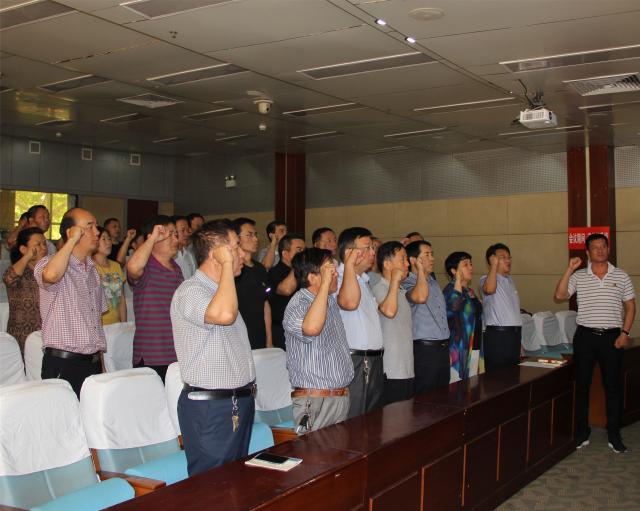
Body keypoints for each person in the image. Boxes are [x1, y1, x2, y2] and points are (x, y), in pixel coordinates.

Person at [171, 219, 255, 476]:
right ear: (217, 253)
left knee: (235, 483)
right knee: (212, 487)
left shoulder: (223, 291)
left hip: (237, 403)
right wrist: (228, 264)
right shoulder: (191, 290)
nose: (243, 254)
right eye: (236, 247)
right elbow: (224, 315)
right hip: (212, 409)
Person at [554, 233, 636, 453]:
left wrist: (625, 333)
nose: (599, 250)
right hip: (585, 338)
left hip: (612, 338)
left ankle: (614, 434)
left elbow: (630, 307)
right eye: (595, 247)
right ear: (588, 252)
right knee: (582, 386)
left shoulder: (621, 275)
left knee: (613, 387)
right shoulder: (579, 276)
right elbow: (560, 295)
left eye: (603, 247)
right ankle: (582, 432)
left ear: (608, 249)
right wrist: (569, 269)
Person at [33, 208, 106, 397]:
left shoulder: (93, 271)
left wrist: (101, 366)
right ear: (71, 232)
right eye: (89, 226)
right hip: (63, 364)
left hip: (93, 363)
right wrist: (72, 241)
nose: (97, 232)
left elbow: (96, 322)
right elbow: (51, 275)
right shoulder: (49, 263)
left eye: (96, 226)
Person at [283, 248, 353, 431]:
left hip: (339, 396)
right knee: (315, 449)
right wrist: (325, 286)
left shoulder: (330, 301)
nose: (335, 274)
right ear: (312, 277)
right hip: (315, 401)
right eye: (329, 270)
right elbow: (311, 329)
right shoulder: (299, 303)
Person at [127, 215, 183, 382]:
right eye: (170, 234)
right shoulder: (146, 266)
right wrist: (152, 238)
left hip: (176, 352)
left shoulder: (176, 268)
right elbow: (133, 267)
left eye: (176, 234)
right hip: (152, 355)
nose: (176, 239)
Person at [336, 227, 384, 418]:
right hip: (355, 361)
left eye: (373, 248)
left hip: (374, 360)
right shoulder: (337, 278)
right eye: (367, 248)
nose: (373, 253)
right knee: (354, 420)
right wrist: (349, 264)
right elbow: (349, 303)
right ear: (349, 252)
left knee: (372, 421)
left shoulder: (364, 280)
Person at [401, 240, 449, 395]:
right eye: (427, 255)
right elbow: (420, 297)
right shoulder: (406, 282)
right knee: (424, 397)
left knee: (443, 396)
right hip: (424, 350)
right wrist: (420, 270)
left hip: (442, 348)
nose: (432, 258)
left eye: (432, 254)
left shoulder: (433, 282)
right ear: (413, 260)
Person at [371, 242, 414, 404]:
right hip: (391, 369)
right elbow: (389, 311)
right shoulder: (380, 289)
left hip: (406, 367)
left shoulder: (400, 291)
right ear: (387, 264)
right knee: (393, 416)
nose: (407, 264)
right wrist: (395, 281)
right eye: (402, 259)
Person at [2, 227, 47, 353]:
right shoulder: (20, 272)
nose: (43, 248)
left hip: (47, 334)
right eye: (38, 244)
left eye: (44, 243)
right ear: (23, 249)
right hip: (22, 335)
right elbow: (9, 278)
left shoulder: (50, 272)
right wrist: (28, 256)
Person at [480, 243, 522, 372]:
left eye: (509, 257)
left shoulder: (510, 280)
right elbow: (490, 289)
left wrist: (519, 340)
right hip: (498, 336)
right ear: (492, 260)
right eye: (503, 257)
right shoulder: (485, 279)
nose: (508, 260)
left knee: (513, 375)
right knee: (497, 377)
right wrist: (493, 266)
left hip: (514, 335)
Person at [443, 251, 483, 381]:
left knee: (474, 386)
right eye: (465, 265)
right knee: (459, 388)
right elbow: (455, 306)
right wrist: (458, 281)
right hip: (459, 348)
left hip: (475, 345)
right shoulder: (449, 290)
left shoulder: (470, 291)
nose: (470, 267)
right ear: (454, 271)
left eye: (471, 264)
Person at [233, 217, 272, 349]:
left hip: (259, 335)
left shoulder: (260, 269)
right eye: (249, 235)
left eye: (256, 235)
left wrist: (269, 340)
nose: (255, 239)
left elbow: (265, 304)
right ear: (236, 238)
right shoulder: (232, 270)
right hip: (238, 338)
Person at [267, 233, 305, 349]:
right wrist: (297, 265)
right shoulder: (274, 272)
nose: (303, 254)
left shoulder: (305, 272)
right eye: (299, 250)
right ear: (285, 254)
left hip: (303, 329)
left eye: (304, 250)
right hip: (282, 332)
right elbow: (286, 290)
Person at [93, 227, 126, 325]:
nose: (108, 243)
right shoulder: (90, 267)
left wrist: (124, 324)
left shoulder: (116, 266)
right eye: (103, 239)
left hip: (116, 324)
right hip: (100, 325)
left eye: (109, 239)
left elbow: (122, 298)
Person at [172, 215, 197, 280]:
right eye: (182, 230)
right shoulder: (167, 256)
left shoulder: (189, 255)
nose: (187, 234)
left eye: (187, 230)